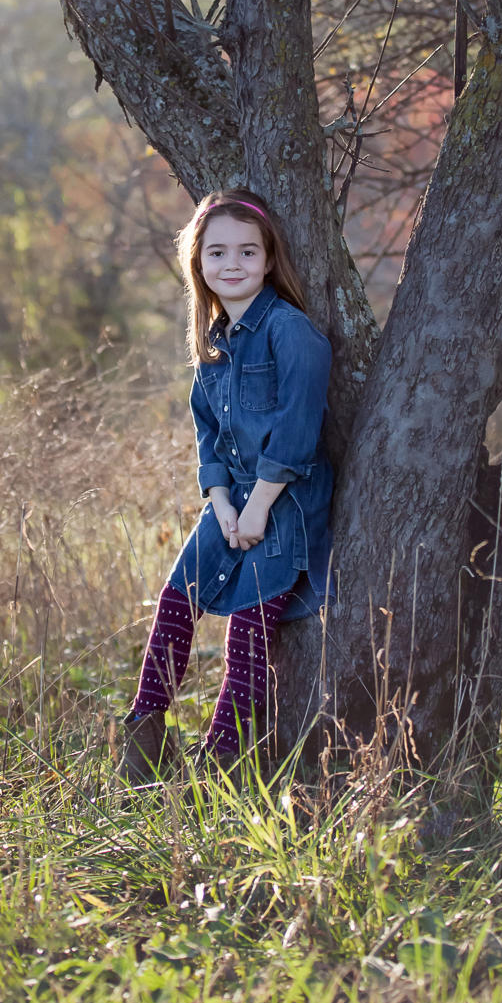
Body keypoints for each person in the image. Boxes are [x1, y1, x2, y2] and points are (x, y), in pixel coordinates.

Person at [119, 188, 333, 783]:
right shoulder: (213, 340)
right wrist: (221, 505)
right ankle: (143, 740)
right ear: (198, 265)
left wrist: (258, 507)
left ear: (268, 260)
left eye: (246, 252)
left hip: (284, 503)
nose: (231, 265)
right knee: (175, 600)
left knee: (249, 624)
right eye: (217, 253)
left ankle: (221, 762)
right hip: (229, 502)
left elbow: (296, 431)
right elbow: (207, 431)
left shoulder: (291, 333)